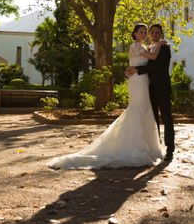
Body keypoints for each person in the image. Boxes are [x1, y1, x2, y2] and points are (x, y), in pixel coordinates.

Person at [49, 24, 164, 169]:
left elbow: (149, 53)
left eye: (145, 32)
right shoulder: (137, 46)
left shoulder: (142, 46)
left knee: (143, 109)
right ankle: (134, 147)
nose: (144, 33)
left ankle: (146, 146)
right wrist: (159, 43)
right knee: (137, 109)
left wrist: (156, 44)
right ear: (134, 33)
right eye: (141, 32)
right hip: (138, 81)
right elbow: (153, 56)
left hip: (141, 79)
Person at [126, 24, 175, 162]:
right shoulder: (149, 47)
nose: (154, 34)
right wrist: (132, 70)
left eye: (157, 32)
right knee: (153, 119)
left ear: (161, 34)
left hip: (162, 88)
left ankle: (170, 150)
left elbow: (157, 66)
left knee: (166, 118)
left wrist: (136, 69)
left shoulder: (164, 47)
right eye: (152, 32)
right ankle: (155, 148)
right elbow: (140, 61)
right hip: (148, 88)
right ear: (149, 34)